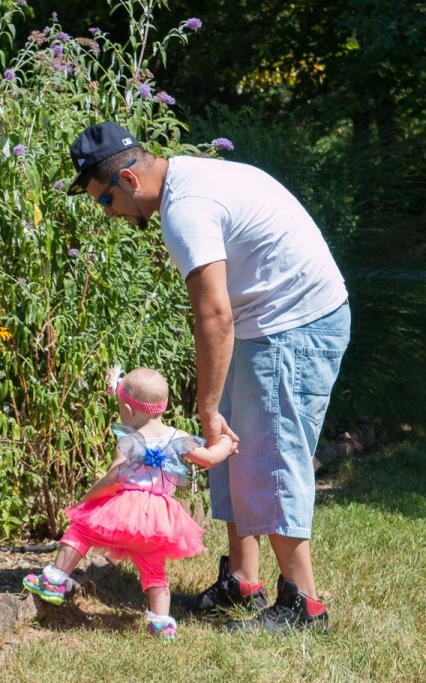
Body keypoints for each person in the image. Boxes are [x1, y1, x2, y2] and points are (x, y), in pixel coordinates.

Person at [64, 121, 351, 633]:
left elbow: (214, 316)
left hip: (294, 322)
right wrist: (216, 415)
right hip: (267, 318)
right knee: (236, 449)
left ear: (128, 180)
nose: (107, 214)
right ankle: (243, 580)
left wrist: (207, 405)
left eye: (105, 202)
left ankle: (304, 606)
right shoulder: (184, 183)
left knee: (273, 453)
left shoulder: (183, 211)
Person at [23, 367, 236, 638]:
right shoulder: (177, 436)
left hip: (125, 512)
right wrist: (227, 444)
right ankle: (161, 624)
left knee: (80, 529)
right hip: (159, 520)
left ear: (127, 407)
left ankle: (54, 579)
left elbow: (114, 479)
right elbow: (209, 458)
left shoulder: (130, 441)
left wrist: (89, 497)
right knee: (155, 569)